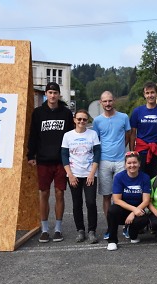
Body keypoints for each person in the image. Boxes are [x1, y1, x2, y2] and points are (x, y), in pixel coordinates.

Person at [27, 82, 74, 243]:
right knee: (44, 193)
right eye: (50, 92)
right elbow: (33, 135)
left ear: (59, 94)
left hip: (61, 161)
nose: (52, 95)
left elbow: (71, 138)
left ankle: (58, 229)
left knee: (60, 193)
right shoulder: (38, 113)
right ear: (46, 94)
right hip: (43, 160)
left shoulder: (66, 113)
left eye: (55, 92)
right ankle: (45, 229)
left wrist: (71, 158)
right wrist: (30, 155)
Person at [92, 91, 131, 240]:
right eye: (105, 101)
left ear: (114, 101)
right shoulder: (97, 121)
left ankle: (127, 225)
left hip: (121, 161)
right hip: (104, 162)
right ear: (100, 103)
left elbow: (128, 135)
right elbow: (96, 140)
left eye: (110, 101)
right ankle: (110, 227)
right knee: (107, 196)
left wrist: (122, 148)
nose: (108, 104)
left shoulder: (123, 117)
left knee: (123, 196)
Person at [61, 109, 100, 244]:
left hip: (89, 174)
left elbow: (97, 154)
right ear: (74, 120)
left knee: (91, 202)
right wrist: (70, 175)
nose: (81, 121)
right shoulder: (68, 136)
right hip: (74, 174)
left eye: (84, 119)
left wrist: (92, 173)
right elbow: (64, 156)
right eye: (79, 119)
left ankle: (91, 231)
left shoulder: (93, 134)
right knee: (77, 203)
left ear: (87, 120)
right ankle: (80, 230)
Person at [106, 151, 150, 251]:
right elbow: (116, 200)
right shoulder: (119, 177)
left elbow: (146, 200)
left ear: (139, 164)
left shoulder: (145, 177)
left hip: (138, 209)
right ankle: (112, 240)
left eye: (134, 162)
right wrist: (133, 210)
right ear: (125, 165)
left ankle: (132, 233)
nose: (132, 165)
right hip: (123, 209)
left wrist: (134, 212)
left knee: (144, 219)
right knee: (112, 210)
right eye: (129, 163)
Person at [130, 81, 157, 179]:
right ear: (144, 95)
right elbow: (132, 133)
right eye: (147, 93)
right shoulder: (137, 111)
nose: (150, 95)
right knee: (141, 179)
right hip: (142, 151)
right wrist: (132, 151)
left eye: (152, 92)